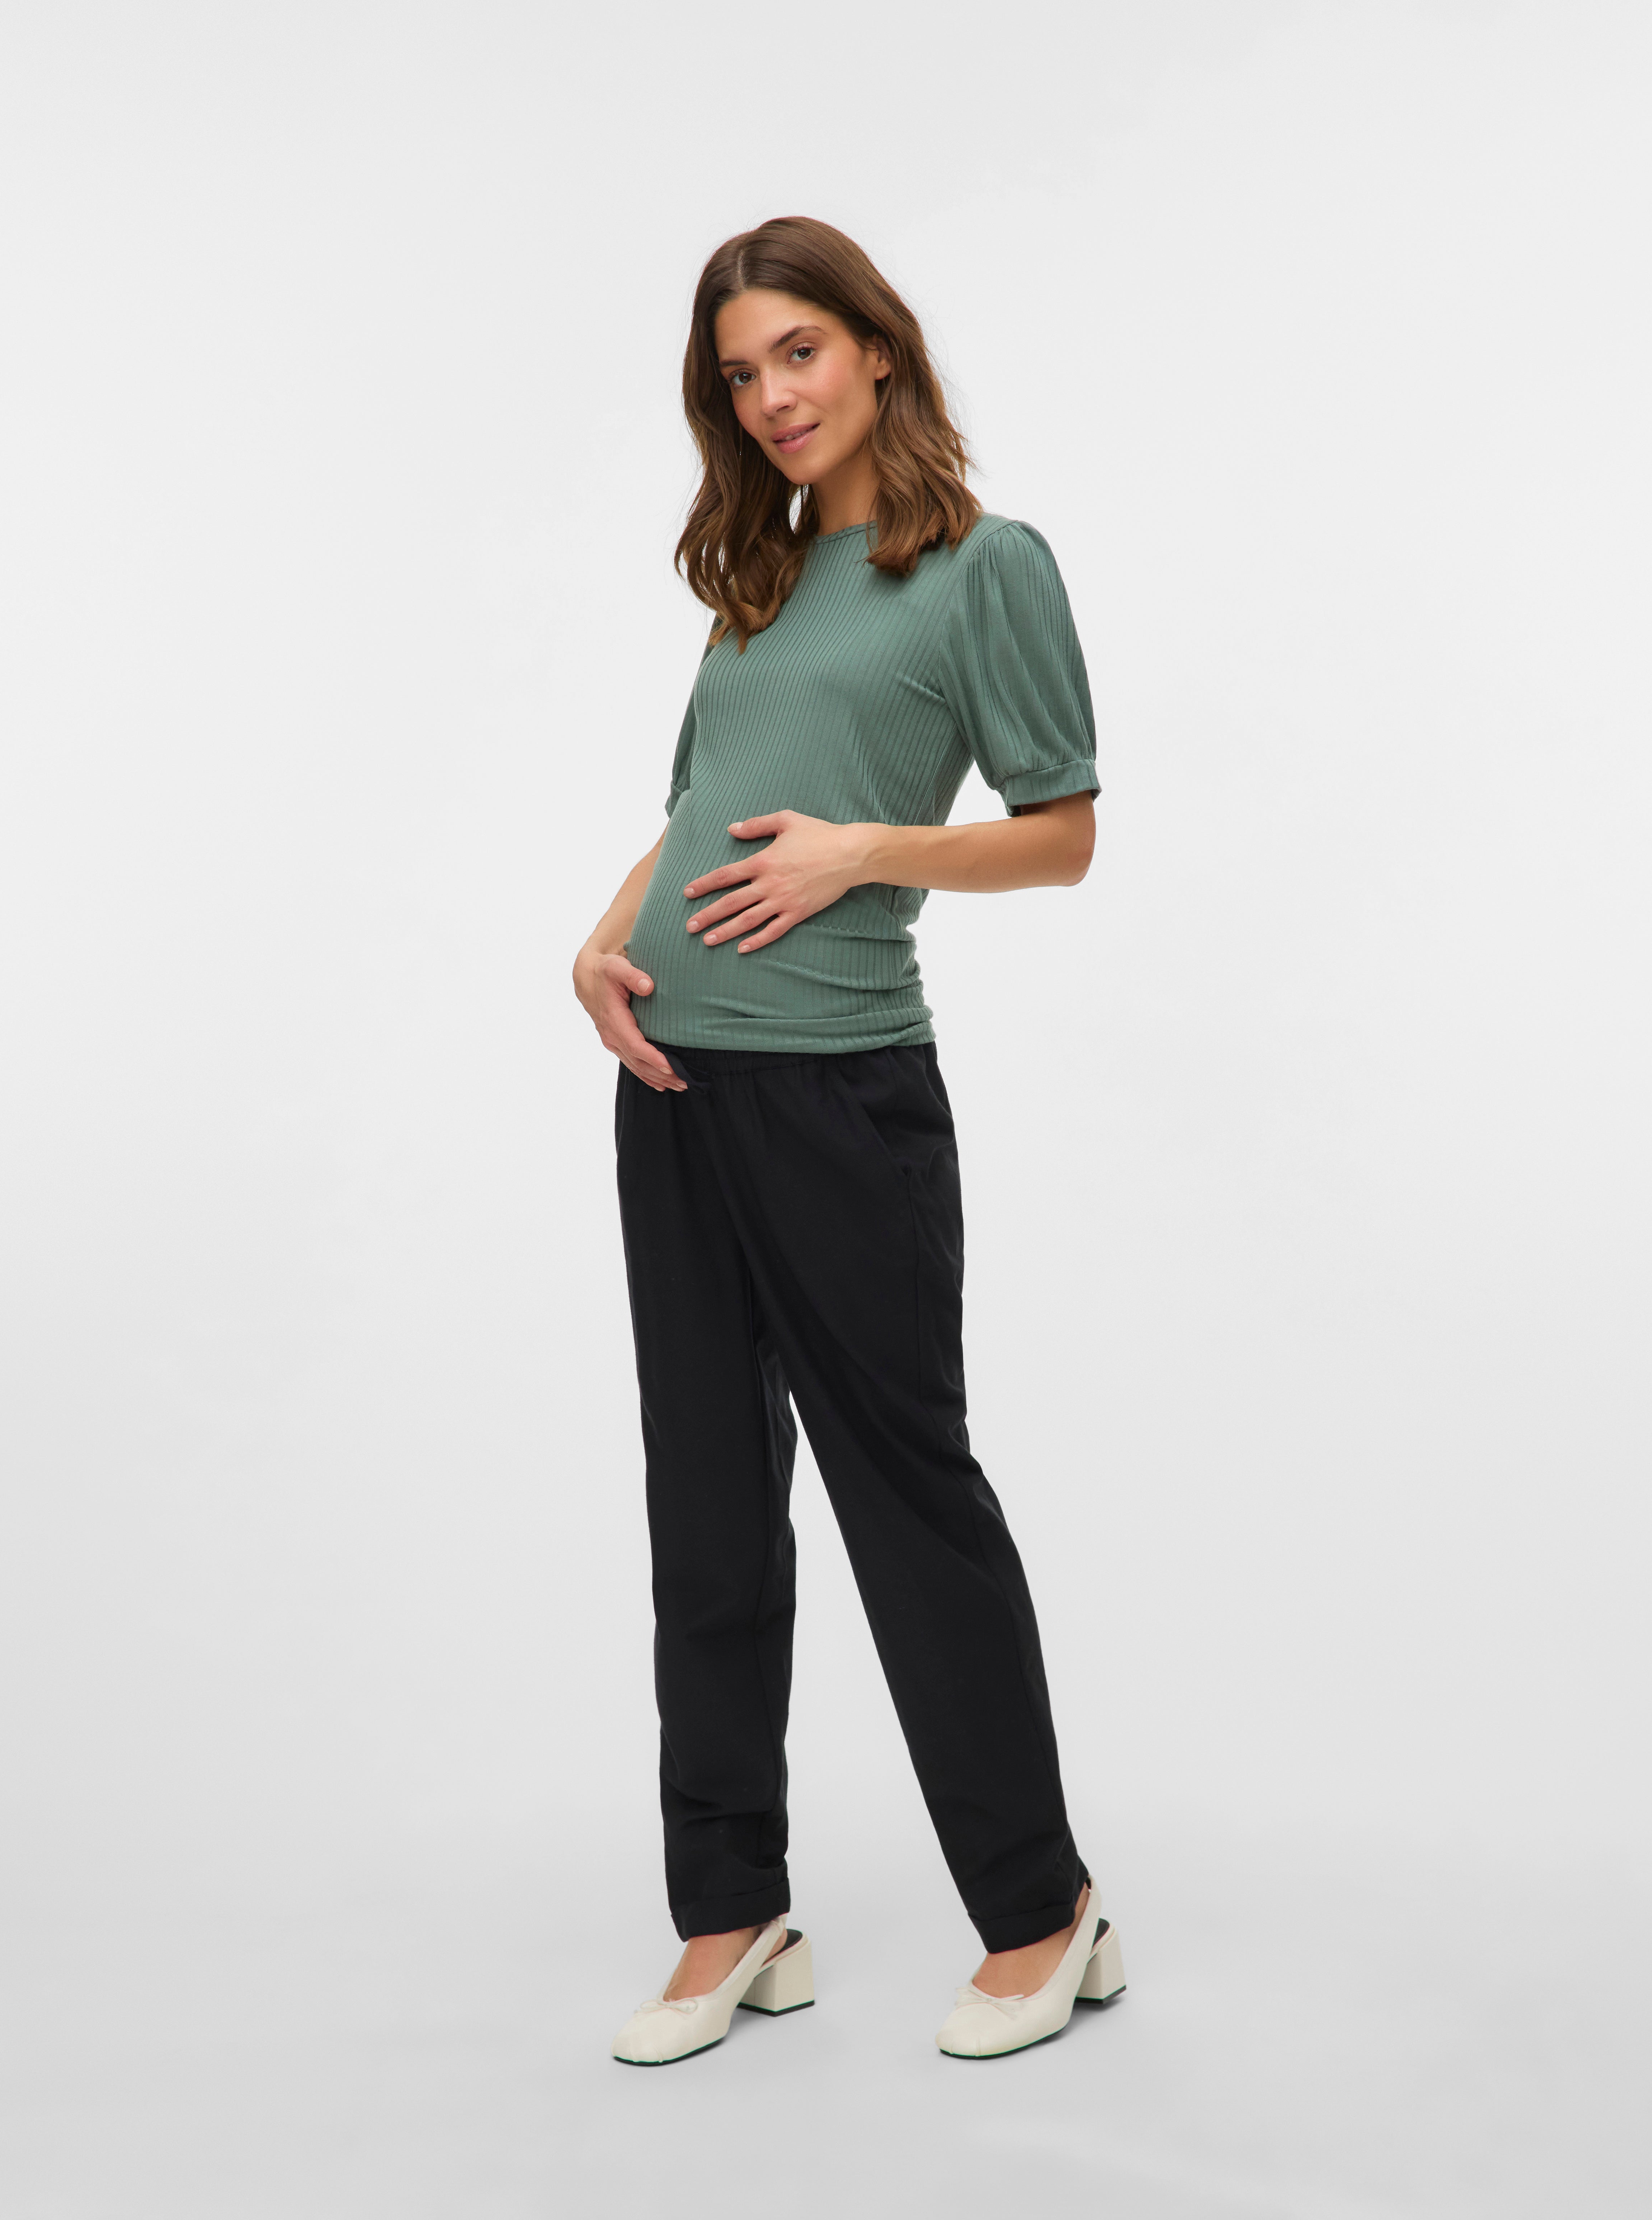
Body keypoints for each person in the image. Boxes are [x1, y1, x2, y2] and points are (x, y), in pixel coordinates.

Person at [573, 215, 1125, 2064]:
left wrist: (861, 853)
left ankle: (1042, 1908)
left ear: (879, 348)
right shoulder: (761, 574)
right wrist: (605, 938)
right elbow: (697, 805)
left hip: (839, 1095)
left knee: (909, 1500)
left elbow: (1063, 832)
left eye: (798, 352)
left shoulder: (985, 568)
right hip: (673, 1089)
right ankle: (733, 1913)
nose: (772, 397)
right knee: (707, 1511)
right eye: (740, 374)